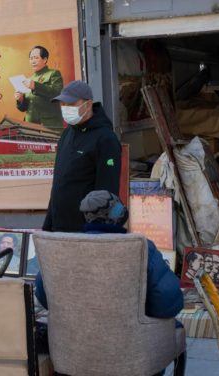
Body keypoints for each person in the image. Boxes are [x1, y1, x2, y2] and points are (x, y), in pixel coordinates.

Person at [35, 190, 183, 320]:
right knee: (175, 328)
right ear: (119, 214)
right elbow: (167, 301)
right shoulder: (141, 247)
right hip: (132, 339)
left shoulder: (62, 248)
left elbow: (43, 295)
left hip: (71, 342)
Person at [42, 80, 122, 232]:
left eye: (71, 104)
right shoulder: (67, 134)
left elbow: (107, 191)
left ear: (88, 104)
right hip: (59, 228)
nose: (65, 109)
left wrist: (98, 232)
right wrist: (48, 225)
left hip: (84, 231)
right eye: (62, 104)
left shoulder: (105, 139)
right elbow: (59, 183)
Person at [14, 46, 64, 134]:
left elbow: (57, 93)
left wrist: (35, 86)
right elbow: (24, 108)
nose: (33, 61)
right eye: (31, 58)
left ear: (44, 59)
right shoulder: (28, 79)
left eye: (36, 58)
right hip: (30, 127)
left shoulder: (53, 73)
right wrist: (21, 99)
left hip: (49, 126)